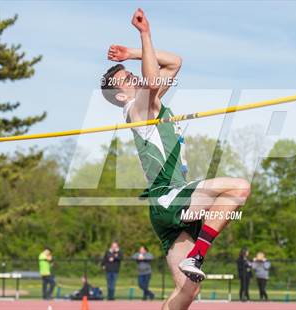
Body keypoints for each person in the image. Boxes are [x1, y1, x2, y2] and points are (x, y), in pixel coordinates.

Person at [101, 8, 250, 310]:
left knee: (188, 293)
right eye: (127, 78)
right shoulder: (136, 109)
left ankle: (194, 258)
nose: (133, 75)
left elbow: (175, 62)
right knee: (239, 188)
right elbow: (153, 80)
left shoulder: (153, 104)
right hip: (169, 198)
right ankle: (198, 255)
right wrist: (144, 35)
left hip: (169, 210)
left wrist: (130, 52)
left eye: (132, 71)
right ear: (120, 94)